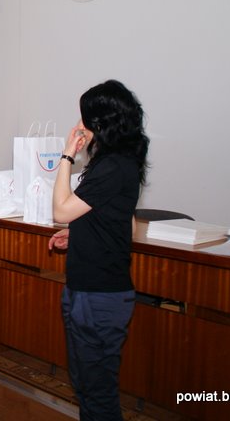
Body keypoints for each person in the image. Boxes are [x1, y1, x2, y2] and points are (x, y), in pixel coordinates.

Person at [48, 79, 149, 421]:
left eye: (85, 119)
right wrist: (80, 235)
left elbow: (60, 211)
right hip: (92, 290)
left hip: (99, 296)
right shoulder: (120, 162)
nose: (80, 126)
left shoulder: (113, 166)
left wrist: (67, 155)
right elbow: (123, 224)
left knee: (97, 392)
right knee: (87, 386)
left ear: (101, 123)